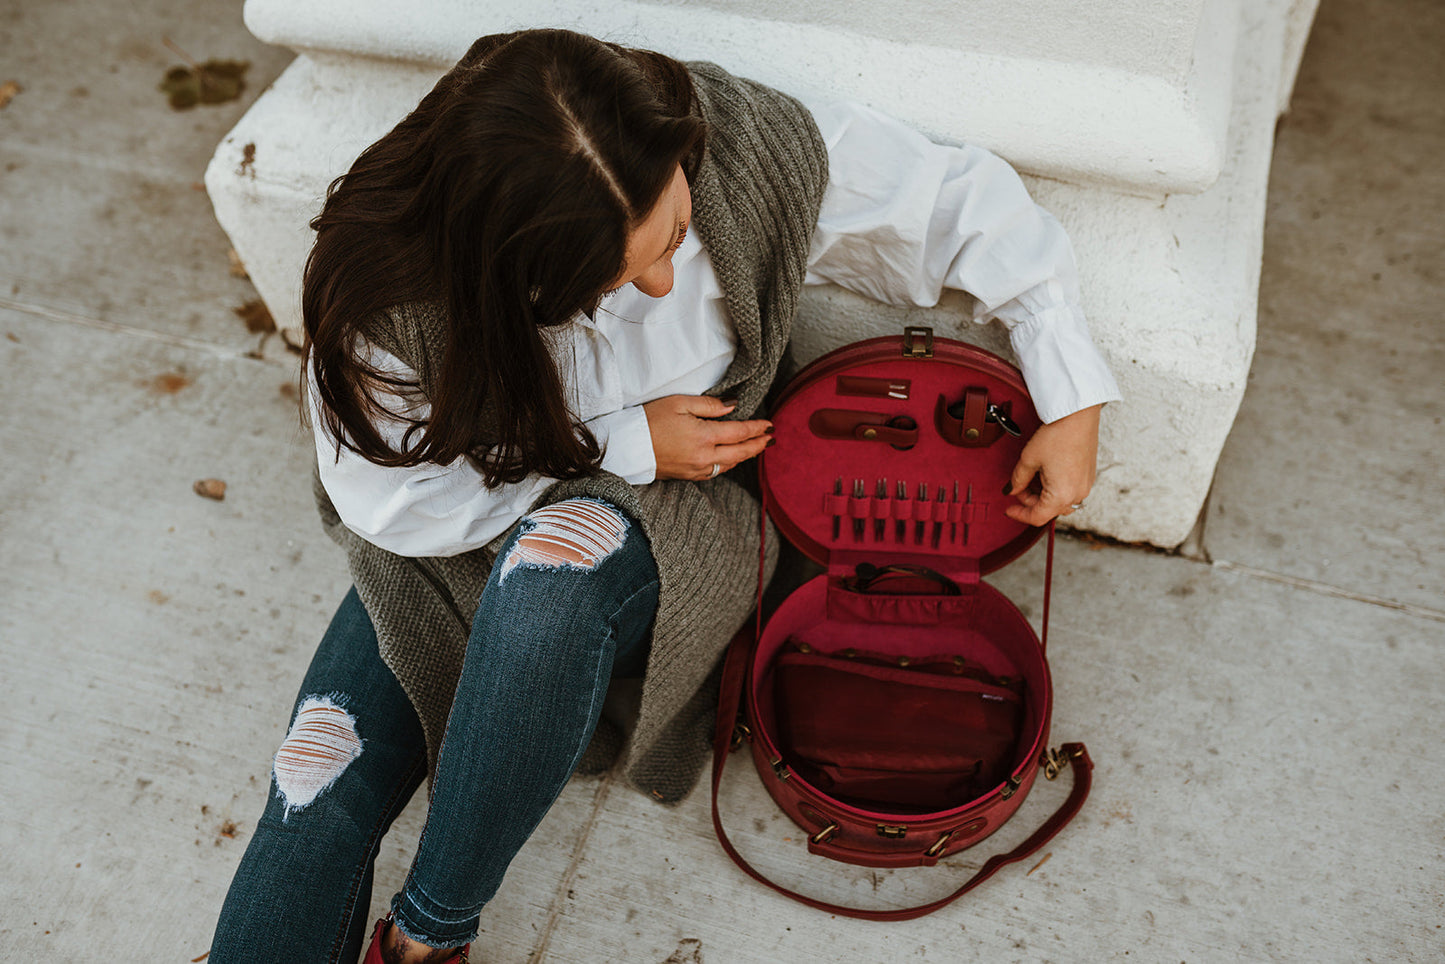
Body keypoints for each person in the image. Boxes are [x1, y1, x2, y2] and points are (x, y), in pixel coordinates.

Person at [209, 27, 1120, 964]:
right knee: (320, 762)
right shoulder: (389, 298)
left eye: (671, 237)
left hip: (688, 501)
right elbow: (404, 510)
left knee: (549, 579)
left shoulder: (731, 148)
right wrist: (618, 441)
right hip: (455, 523)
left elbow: (960, 201)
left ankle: (429, 933)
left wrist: (1070, 392)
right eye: (607, 279)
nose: (658, 280)